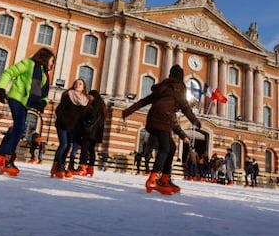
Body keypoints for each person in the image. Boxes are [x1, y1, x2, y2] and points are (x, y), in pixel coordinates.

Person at [122, 64, 201, 195]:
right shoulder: (179, 87)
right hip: (164, 119)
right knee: (165, 148)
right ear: (180, 78)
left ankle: (165, 178)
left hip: (152, 120)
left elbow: (144, 101)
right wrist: (195, 121)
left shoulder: (162, 87)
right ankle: (154, 179)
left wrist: (128, 111)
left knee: (172, 147)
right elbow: (185, 107)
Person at [0, 48, 55, 176]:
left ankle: (0, 157)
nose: (52, 64)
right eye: (52, 60)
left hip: (25, 104)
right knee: (20, 128)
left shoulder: (44, 75)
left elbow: (44, 94)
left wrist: (43, 102)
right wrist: (1, 88)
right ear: (45, 57)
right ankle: (7, 158)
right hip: (16, 97)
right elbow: (9, 72)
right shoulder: (28, 64)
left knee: (17, 129)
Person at [51, 78, 89, 179]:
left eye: (80, 84)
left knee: (68, 146)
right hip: (63, 124)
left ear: (83, 87)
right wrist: (64, 120)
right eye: (76, 83)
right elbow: (59, 110)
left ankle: (62, 165)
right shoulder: (68, 95)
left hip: (73, 127)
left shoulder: (84, 101)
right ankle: (56, 165)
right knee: (63, 144)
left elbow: (83, 116)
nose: (78, 85)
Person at [75, 89, 106, 177]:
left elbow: (90, 116)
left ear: (94, 96)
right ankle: (90, 169)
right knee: (92, 150)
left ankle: (82, 167)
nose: (89, 97)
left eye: (90, 96)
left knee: (84, 149)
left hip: (89, 132)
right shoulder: (102, 106)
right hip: (96, 133)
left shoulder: (94, 105)